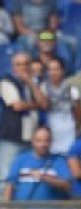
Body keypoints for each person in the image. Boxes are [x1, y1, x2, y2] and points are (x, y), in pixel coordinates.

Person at [0, 52, 48, 195]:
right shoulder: (6, 81)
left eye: (26, 64)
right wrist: (36, 105)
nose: (23, 67)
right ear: (13, 66)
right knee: (6, 176)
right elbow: (17, 106)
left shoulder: (36, 83)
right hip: (12, 138)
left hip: (31, 139)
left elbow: (44, 104)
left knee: (26, 177)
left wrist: (30, 82)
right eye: (19, 64)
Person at [42, 57, 76, 156]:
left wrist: (76, 124)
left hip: (68, 125)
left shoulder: (72, 86)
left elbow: (78, 105)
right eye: (50, 69)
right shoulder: (43, 86)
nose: (53, 72)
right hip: (51, 125)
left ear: (62, 71)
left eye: (56, 69)